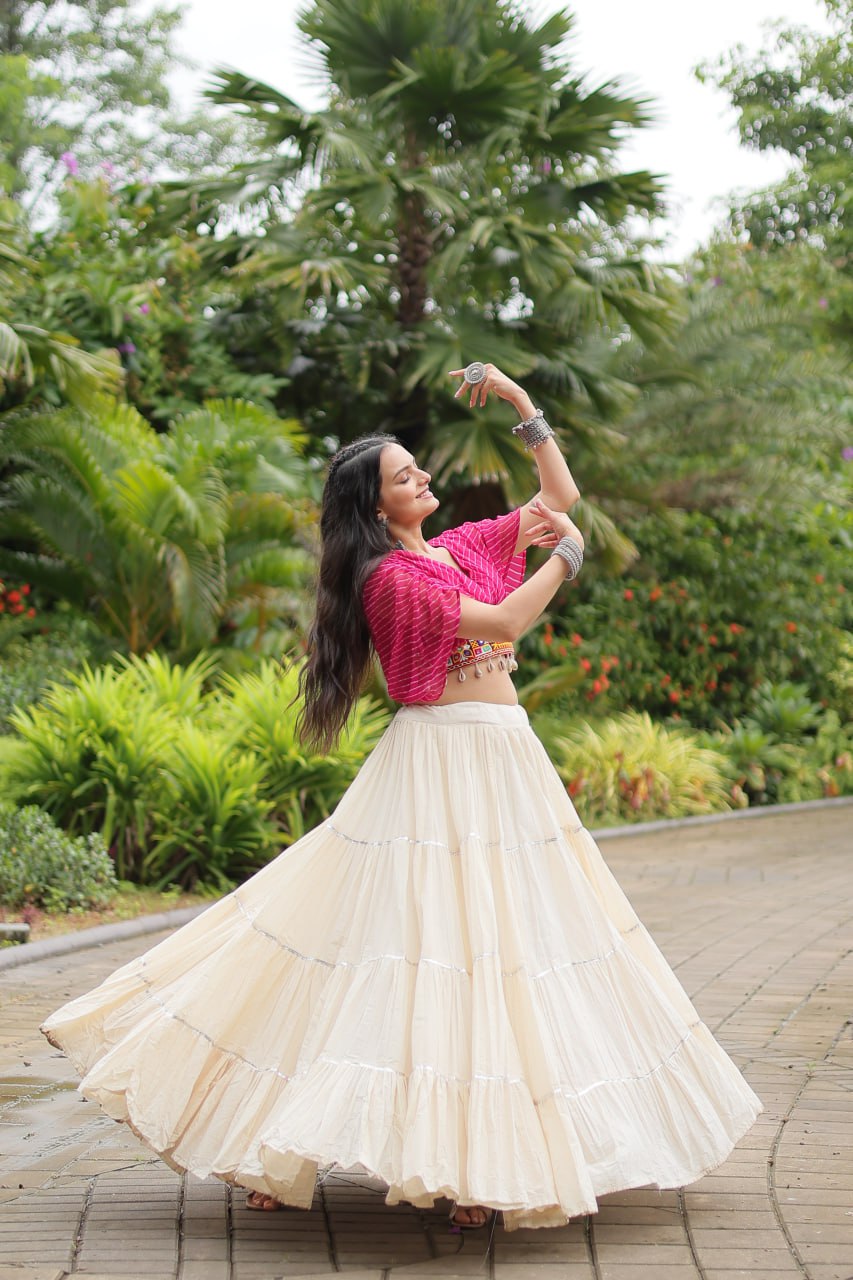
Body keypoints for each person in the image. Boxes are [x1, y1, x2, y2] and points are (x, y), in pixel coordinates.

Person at [41, 363, 762, 1232]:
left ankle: (479, 1165)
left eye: (418, 468)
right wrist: (565, 560)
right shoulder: (392, 578)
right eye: (402, 476)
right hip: (438, 763)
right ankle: (303, 1140)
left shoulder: (457, 550)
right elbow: (505, 622)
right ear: (376, 508)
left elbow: (559, 496)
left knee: (502, 948)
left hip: (503, 758)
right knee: (406, 948)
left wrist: (520, 404)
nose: (421, 478)